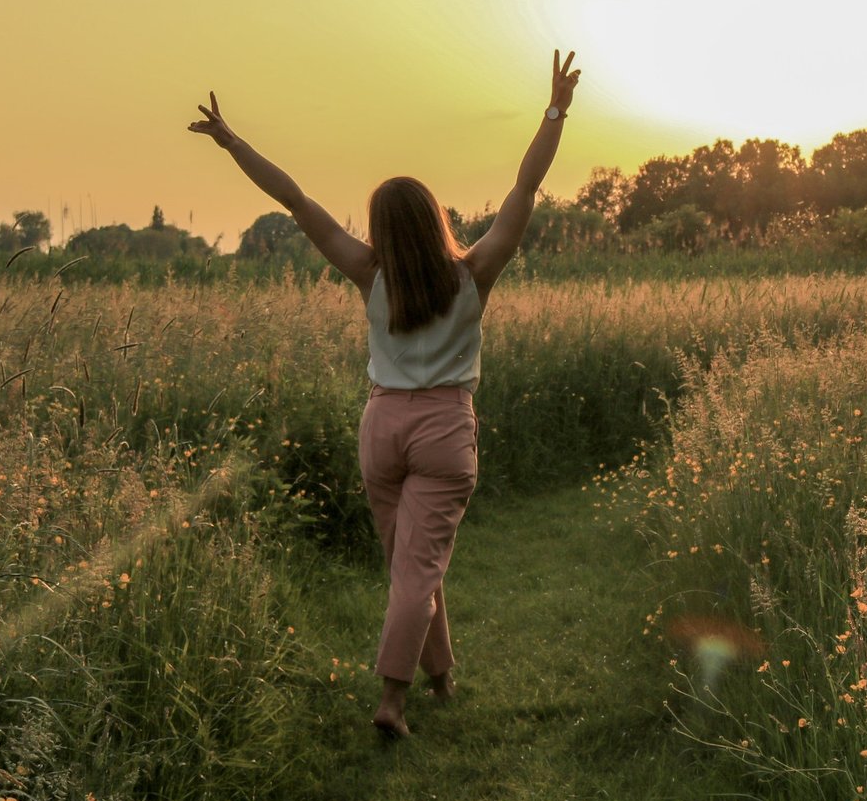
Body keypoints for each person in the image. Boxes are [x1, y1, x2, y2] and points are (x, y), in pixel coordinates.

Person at [188, 50, 581, 739]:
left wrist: (232, 142)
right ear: (434, 219)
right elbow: (524, 190)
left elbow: (295, 199)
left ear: (381, 225)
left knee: (412, 567)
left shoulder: (366, 271)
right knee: (416, 571)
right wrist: (555, 112)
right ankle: (392, 703)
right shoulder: (475, 272)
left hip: (381, 430)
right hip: (442, 433)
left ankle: (442, 676)